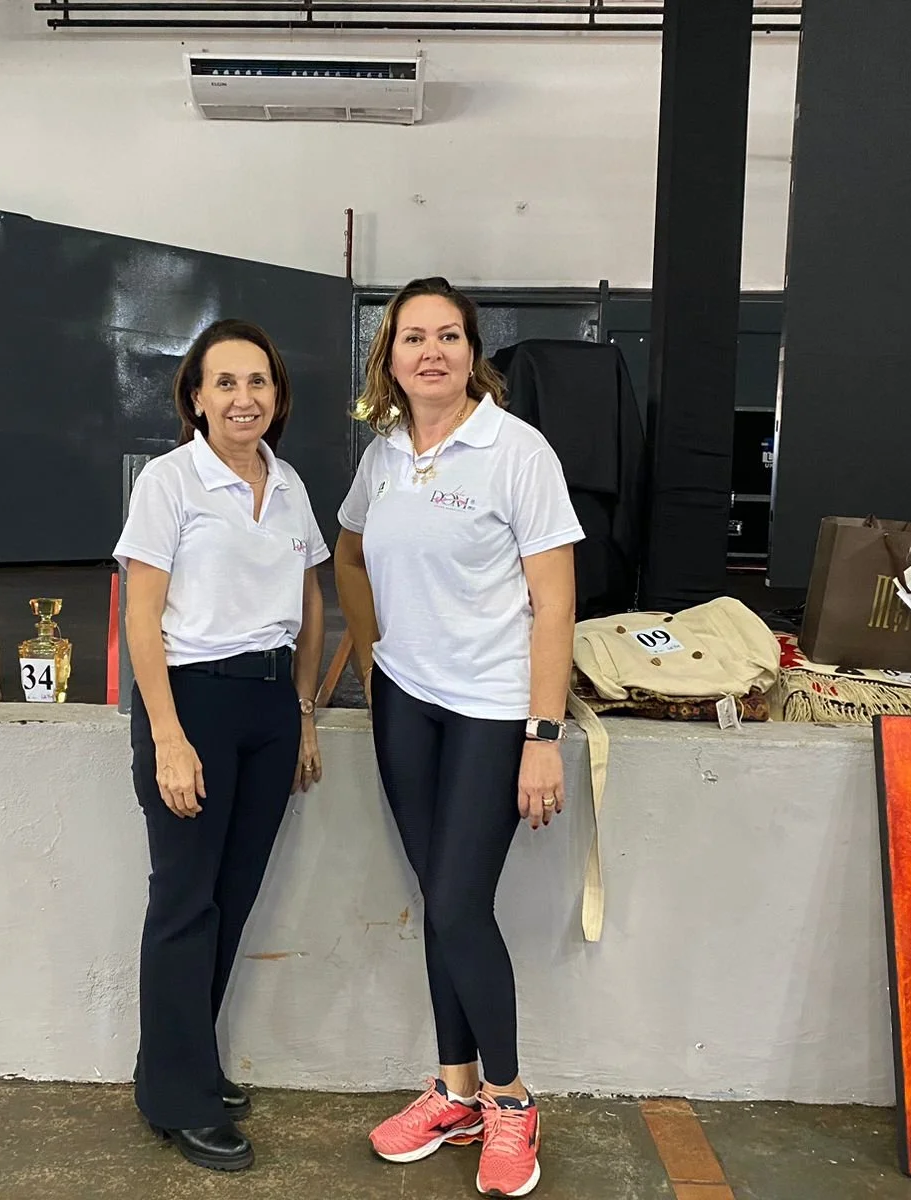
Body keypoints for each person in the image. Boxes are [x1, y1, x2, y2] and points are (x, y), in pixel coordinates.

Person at [335, 277, 582, 1198]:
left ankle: (512, 1102)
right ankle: (454, 1089)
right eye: (412, 338)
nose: (429, 352)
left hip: (491, 709)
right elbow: (351, 549)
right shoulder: (387, 455)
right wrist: (369, 648)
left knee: (458, 905)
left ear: (473, 352)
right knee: (439, 897)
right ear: (388, 357)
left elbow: (555, 602)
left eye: (448, 336)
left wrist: (542, 733)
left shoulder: (518, 453)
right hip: (406, 702)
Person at [114, 318, 328, 1173]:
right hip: (191, 702)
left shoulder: (291, 485)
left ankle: (180, 1064)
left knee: (232, 898)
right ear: (196, 399)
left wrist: (306, 712)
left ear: (277, 397)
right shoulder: (170, 483)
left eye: (259, 383)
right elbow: (140, 615)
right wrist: (167, 736)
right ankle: (177, 1100)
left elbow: (311, 601)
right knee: (185, 903)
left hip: (271, 706)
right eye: (226, 383)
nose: (245, 398)